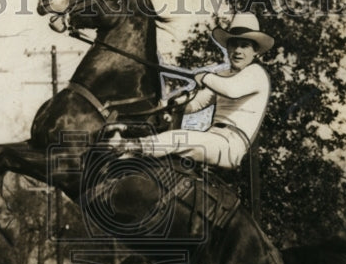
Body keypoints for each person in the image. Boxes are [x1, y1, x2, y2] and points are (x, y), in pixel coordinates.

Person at [107, 12, 274, 171]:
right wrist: (174, 104)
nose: (238, 51)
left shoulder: (256, 73)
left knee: (178, 138)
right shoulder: (224, 76)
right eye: (233, 45)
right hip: (214, 137)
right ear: (227, 48)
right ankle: (122, 158)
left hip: (231, 145)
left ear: (255, 52)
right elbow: (196, 104)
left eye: (244, 46)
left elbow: (232, 90)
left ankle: (125, 146)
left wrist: (205, 76)